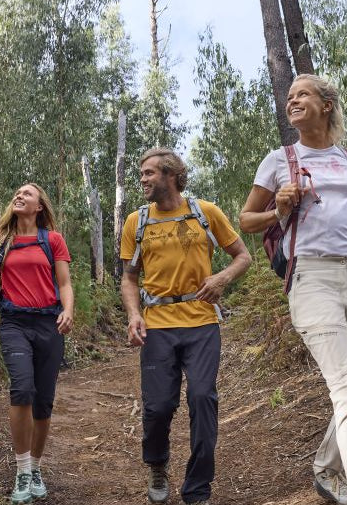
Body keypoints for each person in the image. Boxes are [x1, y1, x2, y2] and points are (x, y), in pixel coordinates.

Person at [238, 74, 347, 505]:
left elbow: (345, 226)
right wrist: (278, 209)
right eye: (289, 96)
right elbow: (246, 220)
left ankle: (326, 467)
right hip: (311, 279)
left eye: (302, 94)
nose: (292, 100)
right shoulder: (279, 159)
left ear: (326, 104)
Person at [120, 148, 252, 505]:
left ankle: (197, 489)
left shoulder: (204, 212)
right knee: (159, 406)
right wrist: (134, 315)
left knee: (202, 398)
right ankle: (158, 465)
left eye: (149, 173)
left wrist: (222, 278)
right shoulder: (137, 221)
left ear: (171, 174)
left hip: (201, 321)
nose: (143, 179)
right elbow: (129, 278)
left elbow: (243, 256)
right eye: (141, 173)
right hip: (157, 325)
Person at [0, 183, 74, 505]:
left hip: (49, 324)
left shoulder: (52, 240)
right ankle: (22, 471)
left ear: (39, 207)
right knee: (22, 389)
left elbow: (64, 282)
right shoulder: (0, 242)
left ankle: (36, 467)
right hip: (14, 323)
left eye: (27, 194)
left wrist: (68, 311)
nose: (19, 196)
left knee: (43, 401)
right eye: (16, 194)